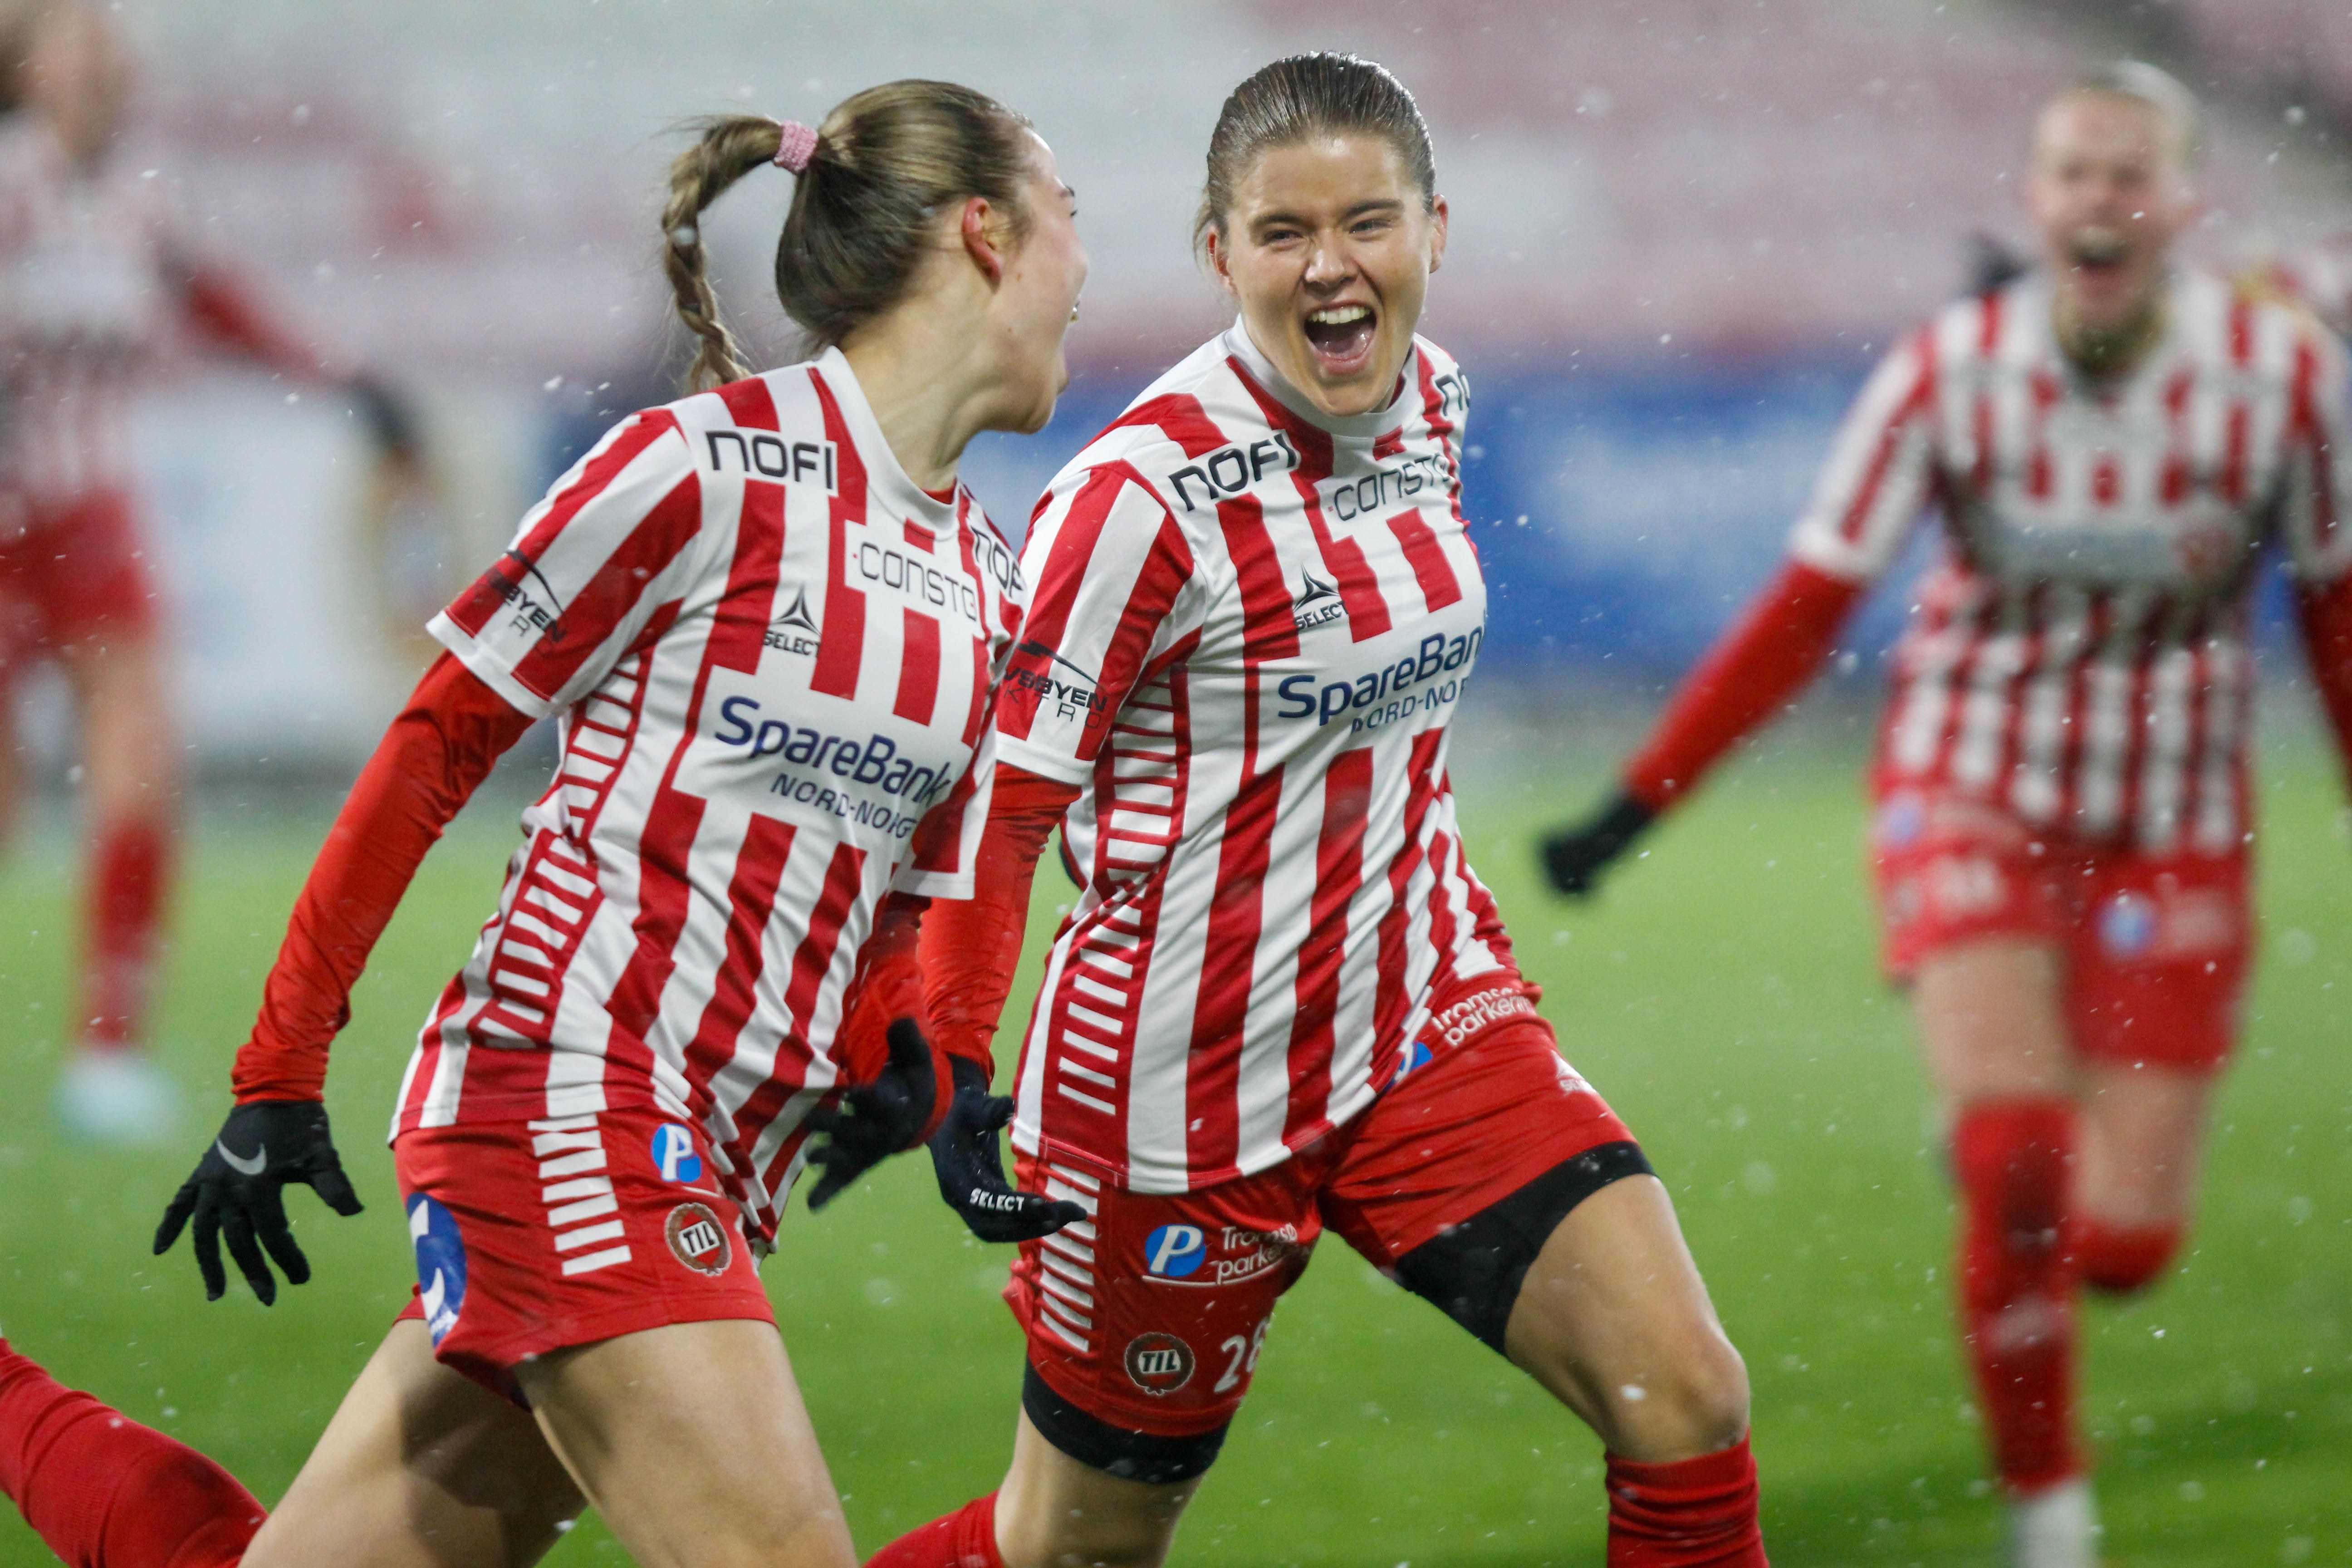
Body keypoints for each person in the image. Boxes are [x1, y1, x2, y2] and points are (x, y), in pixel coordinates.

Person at [0, 79, 1088, 1568]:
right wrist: (281, 1066)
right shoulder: (702, 470)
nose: (1086, 264)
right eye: (1067, 218)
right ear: (984, 236)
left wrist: (905, 1054)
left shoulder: (989, 576)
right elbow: (437, 744)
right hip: (572, 1108)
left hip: (710, 1163)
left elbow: (887, 903)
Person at [872, 54, 1765, 1568]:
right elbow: (1003, 806)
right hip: (1180, 1086)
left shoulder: (1436, 402)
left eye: (1367, 221)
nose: (1330, 265)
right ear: (1219, 254)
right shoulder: (1142, 496)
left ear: (1434, 230)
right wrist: (953, 1046)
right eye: (1283, 232)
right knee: (1073, 1546)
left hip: (1423, 1020)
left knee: (1684, 1399)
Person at [1538, 62, 2352, 1568]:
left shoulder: (2280, 379)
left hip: (2175, 809)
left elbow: (2334, 616)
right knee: (2020, 1159)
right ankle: (2050, 1514)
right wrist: (1631, 806)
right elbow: (1805, 608)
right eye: (2071, 171)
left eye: (2128, 173)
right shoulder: (1950, 369)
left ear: (2182, 203)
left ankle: (2006, 1166)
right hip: (1971, 782)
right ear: (2032, 201)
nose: (2098, 198)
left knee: (2124, 1245)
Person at [0, 1, 417, 1143]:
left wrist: (343, 379)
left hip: (92, 524)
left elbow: (215, 303)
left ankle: (109, 1053)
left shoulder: (142, 199)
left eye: (110, 43)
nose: (103, 61)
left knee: (142, 773)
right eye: (78, 41)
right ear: (28, 66)